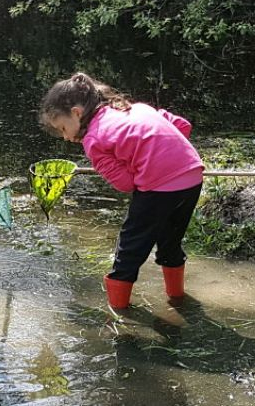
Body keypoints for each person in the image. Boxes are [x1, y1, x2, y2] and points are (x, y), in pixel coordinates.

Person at [39, 72, 204, 309]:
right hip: (191, 175)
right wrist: (164, 155)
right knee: (170, 241)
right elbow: (182, 126)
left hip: (158, 188)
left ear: (77, 113)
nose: (65, 137)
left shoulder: (93, 140)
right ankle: (177, 297)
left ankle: (118, 312)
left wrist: (136, 164)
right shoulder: (137, 108)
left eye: (63, 128)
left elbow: (126, 183)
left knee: (130, 247)